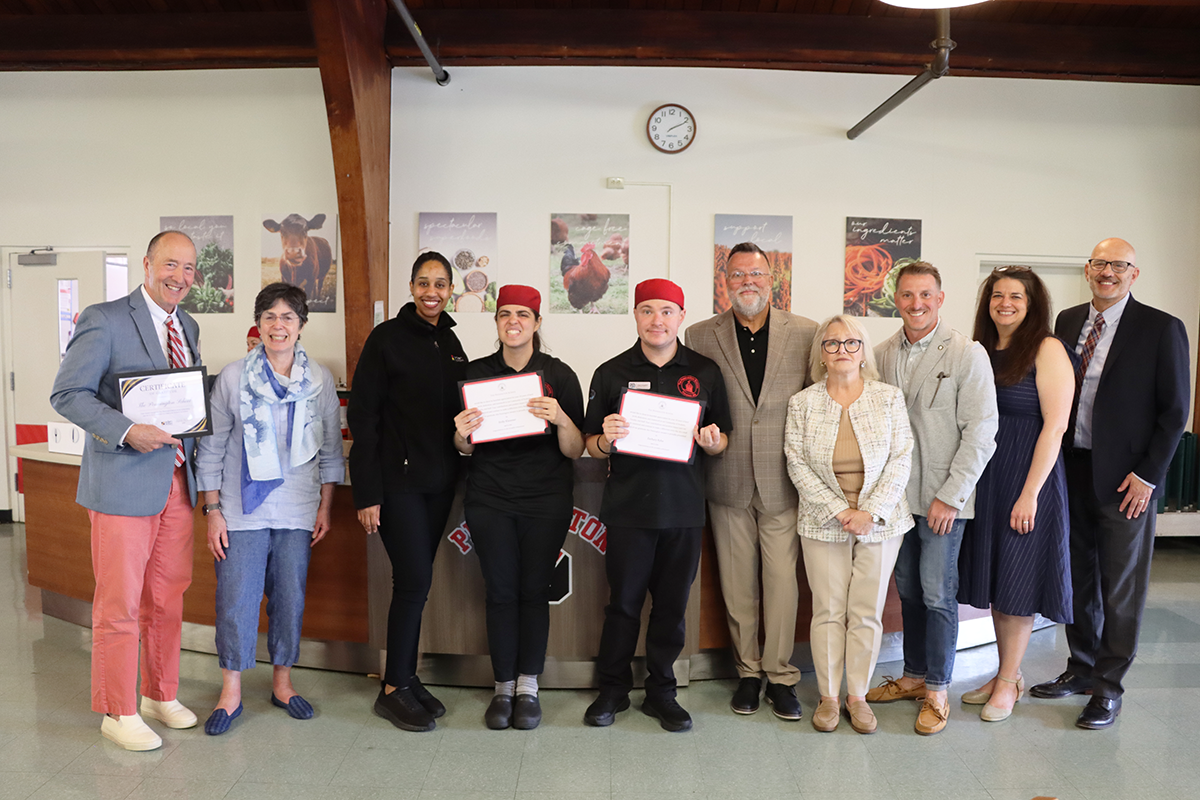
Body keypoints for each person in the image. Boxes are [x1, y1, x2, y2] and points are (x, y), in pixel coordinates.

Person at [49, 230, 202, 751]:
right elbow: (67, 393)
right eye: (170, 264)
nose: (179, 277)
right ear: (147, 263)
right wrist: (125, 429)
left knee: (167, 597)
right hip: (122, 483)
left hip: (177, 483)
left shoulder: (189, 325)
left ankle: (161, 692)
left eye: (187, 268)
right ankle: (117, 709)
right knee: (119, 603)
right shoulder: (106, 318)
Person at [1030, 238, 1190, 729]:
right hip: (1071, 470)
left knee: (1120, 589)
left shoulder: (1162, 328)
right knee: (1077, 579)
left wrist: (1148, 476)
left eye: (1119, 265)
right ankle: (1080, 669)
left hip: (1127, 482)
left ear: (1133, 274)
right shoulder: (1067, 322)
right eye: (1101, 263)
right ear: (1087, 269)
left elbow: (1175, 412)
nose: (1109, 272)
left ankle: (1108, 688)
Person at [582, 279, 731, 732]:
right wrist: (606, 439)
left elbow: (722, 437)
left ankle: (662, 692)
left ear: (681, 317)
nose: (657, 320)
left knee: (671, 607)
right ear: (636, 316)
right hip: (628, 509)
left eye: (666, 311)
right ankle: (612, 689)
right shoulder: (610, 371)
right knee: (623, 605)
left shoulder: (704, 371)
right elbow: (590, 445)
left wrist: (711, 441)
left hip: (684, 510)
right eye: (647, 310)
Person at [195, 283, 344, 735]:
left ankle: (283, 683)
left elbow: (331, 450)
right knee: (236, 599)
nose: (278, 325)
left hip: (298, 506)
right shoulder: (233, 377)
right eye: (270, 317)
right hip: (241, 507)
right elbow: (212, 447)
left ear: (301, 326)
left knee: (289, 597)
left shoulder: (317, 378)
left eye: (288, 317)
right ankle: (232, 690)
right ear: (258, 324)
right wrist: (213, 511)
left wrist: (325, 506)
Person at [686, 242, 816, 720]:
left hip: (784, 478)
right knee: (738, 585)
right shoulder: (700, 335)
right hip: (726, 476)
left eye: (756, 274)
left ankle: (781, 676)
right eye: (737, 275)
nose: (747, 283)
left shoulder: (805, 332)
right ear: (725, 282)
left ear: (772, 279)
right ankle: (747, 673)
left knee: (782, 583)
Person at [870, 262, 998, 736]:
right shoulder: (882, 353)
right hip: (896, 502)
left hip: (944, 500)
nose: (916, 303)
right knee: (907, 592)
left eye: (925, 294)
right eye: (907, 295)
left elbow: (982, 432)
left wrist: (952, 495)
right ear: (896, 300)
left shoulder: (967, 354)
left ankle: (939, 691)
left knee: (938, 594)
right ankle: (913, 676)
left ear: (940, 298)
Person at [453, 285, 585, 730]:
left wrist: (562, 418)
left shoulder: (560, 375)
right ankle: (502, 686)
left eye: (523, 315)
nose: (514, 321)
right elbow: (463, 448)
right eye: (505, 313)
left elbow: (573, 450)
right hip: (489, 497)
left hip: (546, 499)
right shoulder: (476, 373)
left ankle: (528, 685)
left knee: (533, 591)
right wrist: (460, 431)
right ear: (495, 322)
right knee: (500, 591)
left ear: (537, 323)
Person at [347, 252, 468, 732]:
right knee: (413, 580)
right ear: (411, 286)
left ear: (451, 289)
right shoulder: (386, 340)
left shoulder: (453, 343)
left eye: (440, 283)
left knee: (418, 582)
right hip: (397, 486)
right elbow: (364, 418)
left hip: (439, 485)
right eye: (423, 282)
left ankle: (406, 675)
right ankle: (394, 687)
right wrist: (366, 493)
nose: (431, 292)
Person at [784, 315, 913, 734]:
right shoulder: (802, 403)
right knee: (827, 610)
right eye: (832, 343)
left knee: (865, 612)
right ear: (820, 353)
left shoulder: (888, 398)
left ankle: (857, 695)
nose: (842, 350)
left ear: (864, 350)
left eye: (851, 343)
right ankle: (828, 696)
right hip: (824, 520)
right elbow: (796, 462)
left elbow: (901, 458)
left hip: (881, 520)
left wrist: (869, 511)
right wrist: (840, 511)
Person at [957, 267, 1075, 722]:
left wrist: (1030, 494)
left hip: (1029, 479)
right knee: (997, 582)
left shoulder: (1047, 348)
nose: (1005, 303)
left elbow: (1056, 424)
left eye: (1016, 297)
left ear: (1032, 304)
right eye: (997, 295)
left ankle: (1008, 681)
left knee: (1019, 581)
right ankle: (1005, 673)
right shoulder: (982, 350)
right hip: (986, 477)